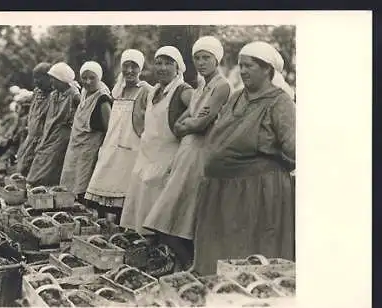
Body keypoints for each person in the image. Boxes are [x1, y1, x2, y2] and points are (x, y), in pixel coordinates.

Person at [191, 41, 296, 276]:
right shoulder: (237, 96)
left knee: (248, 255)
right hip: (223, 189)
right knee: (219, 254)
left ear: (267, 69)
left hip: (255, 191)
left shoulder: (280, 102)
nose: (243, 71)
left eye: (249, 66)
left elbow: (294, 148)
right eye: (241, 65)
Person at [142, 37, 232, 271]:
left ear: (217, 59)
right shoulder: (202, 86)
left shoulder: (221, 86)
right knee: (171, 213)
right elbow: (180, 123)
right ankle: (184, 262)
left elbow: (199, 123)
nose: (201, 63)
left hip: (202, 153)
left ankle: (192, 263)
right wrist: (188, 123)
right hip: (186, 150)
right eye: (197, 58)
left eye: (206, 58)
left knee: (183, 211)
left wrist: (189, 124)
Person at [120, 46, 193, 237]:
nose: (162, 67)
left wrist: (182, 123)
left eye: (169, 63)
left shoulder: (183, 91)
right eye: (158, 63)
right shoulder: (153, 91)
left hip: (167, 159)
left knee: (161, 218)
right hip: (147, 157)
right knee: (143, 213)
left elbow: (202, 109)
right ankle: (150, 251)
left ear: (178, 68)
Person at [85, 50, 153, 221]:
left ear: (141, 68)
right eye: (126, 66)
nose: (129, 70)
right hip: (112, 144)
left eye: (134, 66)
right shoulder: (117, 90)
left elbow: (151, 118)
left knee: (125, 188)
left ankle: (124, 225)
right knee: (104, 181)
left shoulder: (146, 90)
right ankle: (106, 225)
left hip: (132, 146)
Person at [59, 61, 112, 204]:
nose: (88, 82)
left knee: (84, 185)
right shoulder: (84, 92)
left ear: (99, 78)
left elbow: (109, 128)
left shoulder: (102, 99)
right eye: (84, 78)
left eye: (92, 78)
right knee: (71, 182)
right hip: (76, 145)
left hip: (89, 149)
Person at [27, 62, 81, 187]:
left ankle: (39, 186)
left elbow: (82, 112)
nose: (51, 82)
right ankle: (36, 186)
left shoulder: (74, 94)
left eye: (54, 79)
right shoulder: (53, 94)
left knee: (50, 162)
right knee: (40, 156)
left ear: (62, 80)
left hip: (62, 135)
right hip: (50, 131)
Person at [16, 62, 53, 176]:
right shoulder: (37, 92)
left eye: (39, 78)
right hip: (31, 136)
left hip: (43, 139)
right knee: (22, 165)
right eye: (35, 78)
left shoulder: (54, 95)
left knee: (34, 168)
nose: (36, 81)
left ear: (49, 77)